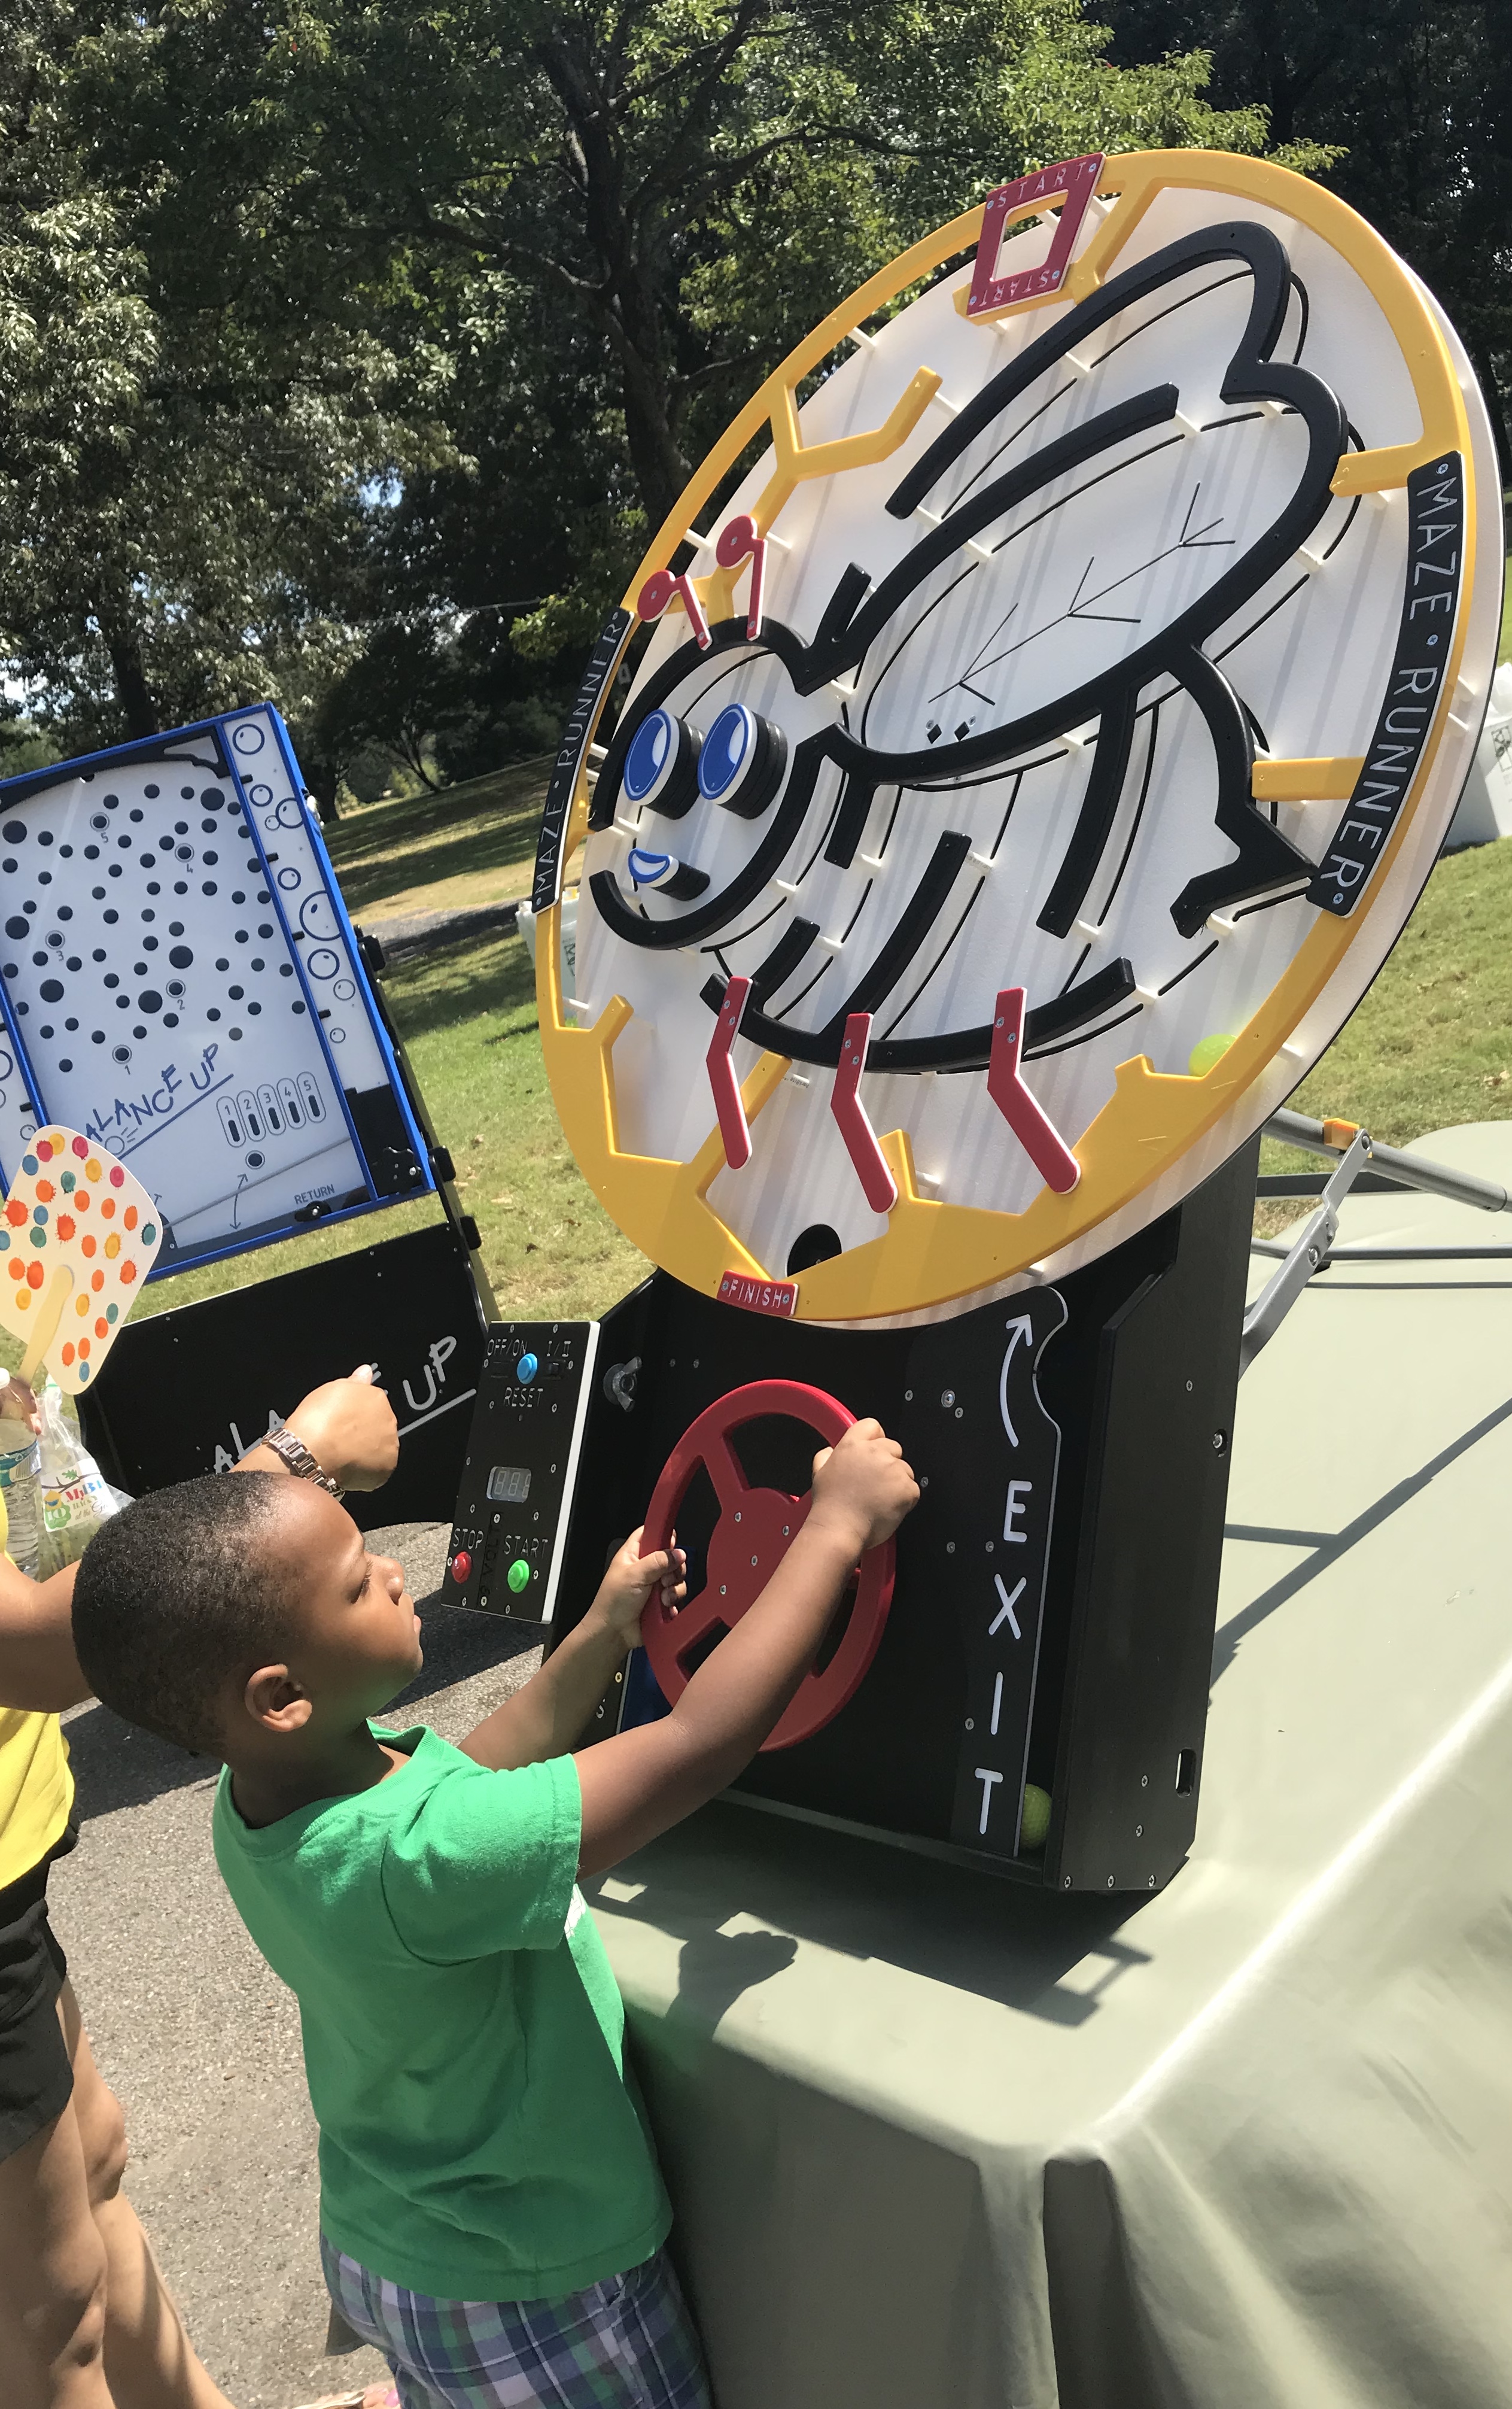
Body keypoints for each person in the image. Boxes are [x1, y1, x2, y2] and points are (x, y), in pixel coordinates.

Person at [68, 1415, 920, 2409]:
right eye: (357, 1582)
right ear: (284, 1693)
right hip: (532, 2279)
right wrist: (832, 1530)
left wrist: (604, 1625)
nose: (395, 1572)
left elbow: (472, 1771)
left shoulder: (269, 1798)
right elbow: (697, 1745)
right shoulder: (423, 1854)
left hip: (395, 2237)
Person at [0, 1368, 401, 2408]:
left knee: (93, 2166)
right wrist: (297, 1462)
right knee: (48, 2315)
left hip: (12, 1855)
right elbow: (39, 1647)